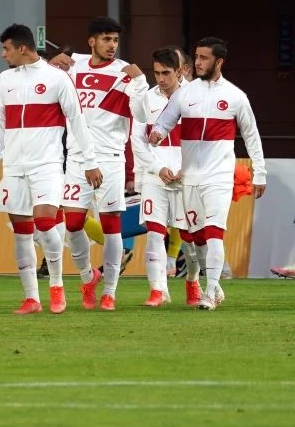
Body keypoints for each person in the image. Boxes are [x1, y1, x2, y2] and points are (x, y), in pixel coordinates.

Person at [0, 24, 101, 314]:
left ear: (22, 48)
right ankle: (32, 298)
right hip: (14, 166)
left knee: (46, 223)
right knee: (22, 232)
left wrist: (89, 162)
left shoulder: (56, 79)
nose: (3, 55)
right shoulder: (5, 79)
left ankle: (57, 286)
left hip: (47, 164)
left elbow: (76, 120)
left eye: (6, 49)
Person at [149, 37, 266, 309]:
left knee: (213, 233)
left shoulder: (236, 96)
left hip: (219, 175)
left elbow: (252, 136)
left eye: (204, 58)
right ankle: (215, 285)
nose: (198, 63)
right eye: (197, 57)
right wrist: (157, 133)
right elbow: (164, 122)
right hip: (189, 176)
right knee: (195, 238)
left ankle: (210, 292)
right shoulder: (184, 94)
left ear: (219, 61)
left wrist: (259, 173)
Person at [61, 17, 148, 310]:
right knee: (72, 223)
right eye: (106, 39)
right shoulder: (75, 65)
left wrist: (140, 81)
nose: (112, 45)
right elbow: (46, 78)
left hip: (109, 158)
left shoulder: (124, 73)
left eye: (115, 40)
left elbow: (143, 114)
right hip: (75, 157)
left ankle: (109, 291)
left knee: (112, 227)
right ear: (92, 42)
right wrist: (56, 59)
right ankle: (88, 277)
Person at [132, 47, 201, 307]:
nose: (160, 78)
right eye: (156, 73)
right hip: (155, 176)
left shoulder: (195, 98)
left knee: (190, 238)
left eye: (166, 73)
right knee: (154, 232)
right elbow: (137, 141)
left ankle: (192, 283)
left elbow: (204, 140)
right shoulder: (146, 100)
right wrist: (157, 168)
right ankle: (157, 290)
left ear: (180, 71)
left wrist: (187, 168)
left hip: (187, 176)